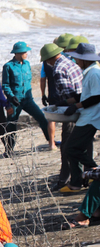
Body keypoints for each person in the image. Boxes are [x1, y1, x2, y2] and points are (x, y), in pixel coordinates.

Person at [40, 43, 84, 191]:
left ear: (49, 60)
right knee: (82, 144)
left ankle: (65, 180)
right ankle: (83, 175)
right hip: (83, 108)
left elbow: (68, 93)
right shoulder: (69, 62)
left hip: (72, 111)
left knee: (67, 147)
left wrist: (61, 104)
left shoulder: (58, 69)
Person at [59, 43, 100, 192]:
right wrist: (65, 102)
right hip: (88, 115)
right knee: (77, 149)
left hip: (91, 117)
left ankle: (93, 170)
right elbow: (86, 95)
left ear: (85, 60)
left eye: (77, 59)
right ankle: (79, 181)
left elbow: (97, 96)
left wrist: (77, 106)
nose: (76, 62)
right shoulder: (89, 72)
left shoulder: (94, 73)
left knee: (71, 148)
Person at [2, 41, 50, 152]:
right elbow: (5, 85)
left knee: (42, 118)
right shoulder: (8, 66)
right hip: (15, 101)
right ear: (17, 53)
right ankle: (9, 149)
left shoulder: (27, 64)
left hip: (28, 99)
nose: (26, 54)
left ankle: (50, 141)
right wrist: (11, 96)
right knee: (11, 124)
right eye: (24, 52)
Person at [39, 33, 74, 150]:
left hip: (53, 92)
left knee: (51, 118)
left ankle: (51, 144)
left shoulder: (46, 62)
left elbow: (43, 79)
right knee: (69, 120)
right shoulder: (68, 58)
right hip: (66, 94)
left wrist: (43, 94)